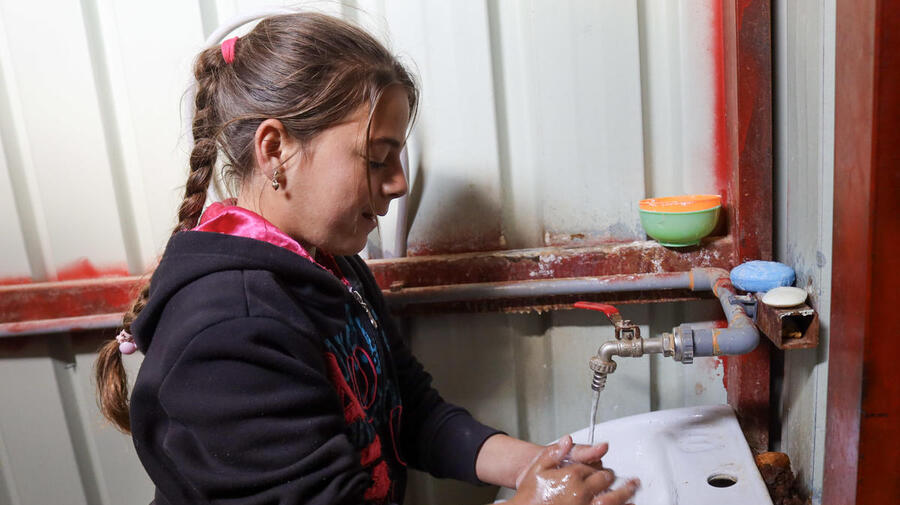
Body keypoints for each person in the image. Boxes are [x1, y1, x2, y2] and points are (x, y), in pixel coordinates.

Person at [94, 12, 639, 505]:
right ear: (274, 149)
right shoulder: (230, 328)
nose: (399, 183)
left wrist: (532, 467)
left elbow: (410, 413)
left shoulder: (329, 263)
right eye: (378, 158)